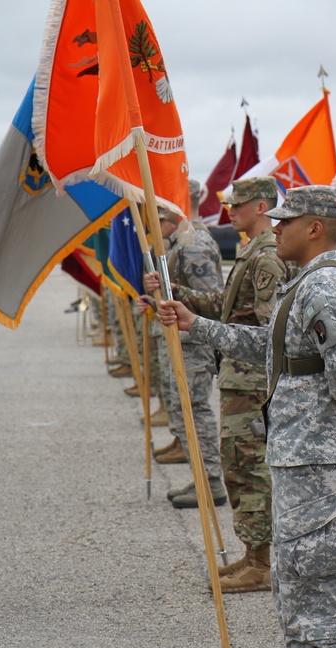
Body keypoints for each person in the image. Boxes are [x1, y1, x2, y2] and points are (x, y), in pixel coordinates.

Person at [160, 185, 336, 648]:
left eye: (286, 222)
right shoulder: (304, 282)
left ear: (314, 228)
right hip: (299, 445)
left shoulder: (323, 287)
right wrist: (197, 324)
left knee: (317, 559)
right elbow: (271, 347)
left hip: (319, 450)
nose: (275, 229)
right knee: (296, 558)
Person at [147, 176, 287, 593]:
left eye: (238, 205)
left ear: (261, 207)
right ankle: (253, 554)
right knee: (238, 469)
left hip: (251, 381)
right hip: (237, 378)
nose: (230, 211)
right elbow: (226, 305)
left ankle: (262, 564)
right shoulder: (251, 251)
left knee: (250, 470)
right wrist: (178, 297)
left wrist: (202, 325)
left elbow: (268, 331)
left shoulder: (267, 256)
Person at [150, 195, 227, 510]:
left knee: (195, 410)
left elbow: (210, 300)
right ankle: (201, 477)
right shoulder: (182, 240)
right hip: (185, 340)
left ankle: (211, 481)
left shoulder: (193, 243)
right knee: (185, 411)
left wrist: (173, 292)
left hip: (194, 342)